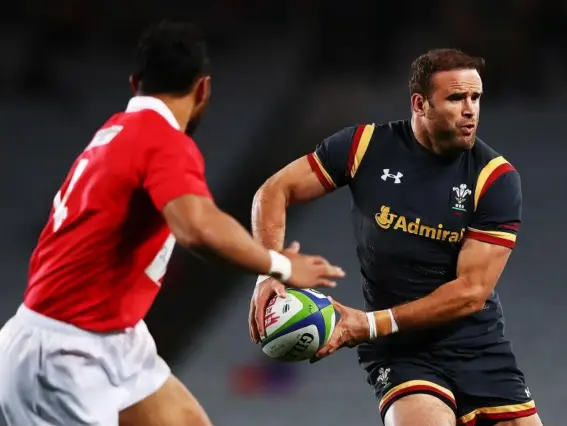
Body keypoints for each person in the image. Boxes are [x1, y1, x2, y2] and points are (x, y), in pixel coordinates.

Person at [0, 20, 345, 426]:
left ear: (135, 84)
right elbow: (195, 226)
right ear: (204, 89)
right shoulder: (161, 141)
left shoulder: (116, 132)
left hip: (114, 337)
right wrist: (281, 265)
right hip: (60, 358)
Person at [249, 49, 543, 426]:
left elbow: (471, 292)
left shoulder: (495, 178)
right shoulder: (364, 147)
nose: (470, 109)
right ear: (420, 104)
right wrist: (270, 269)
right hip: (402, 352)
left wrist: (369, 324)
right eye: (456, 98)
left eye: (476, 97)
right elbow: (274, 191)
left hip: (478, 348)